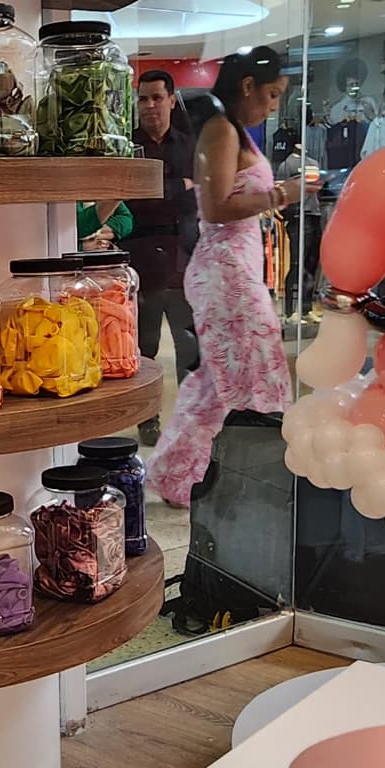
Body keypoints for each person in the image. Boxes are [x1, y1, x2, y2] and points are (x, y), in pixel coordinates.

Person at [149, 47, 301, 506]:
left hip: (235, 265)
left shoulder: (233, 131)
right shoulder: (221, 129)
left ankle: (186, 475)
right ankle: (231, 473)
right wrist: (281, 194)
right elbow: (215, 208)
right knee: (250, 373)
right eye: (272, 95)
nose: (273, 106)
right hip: (225, 270)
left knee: (222, 381)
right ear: (248, 86)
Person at [122, 69, 201, 442]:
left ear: (171, 99)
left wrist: (158, 192)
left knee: (190, 347)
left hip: (183, 261)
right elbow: (130, 201)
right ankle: (147, 418)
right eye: (143, 98)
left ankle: (191, 421)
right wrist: (177, 188)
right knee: (143, 349)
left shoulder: (190, 146)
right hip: (140, 263)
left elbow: (198, 198)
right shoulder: (126, 147)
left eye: (157, 97)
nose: (149, 105)